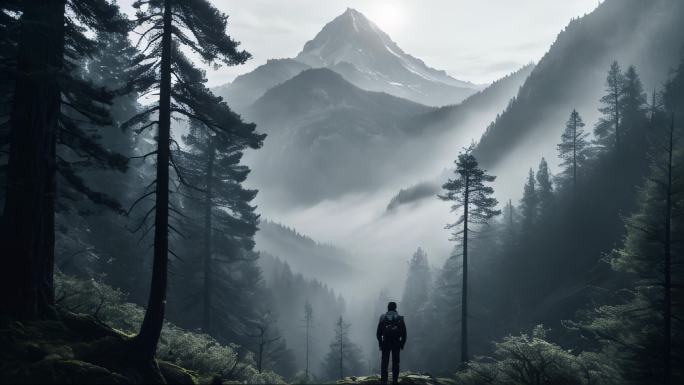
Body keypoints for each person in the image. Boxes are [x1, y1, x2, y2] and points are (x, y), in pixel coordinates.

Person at [376, 301, 407, 385]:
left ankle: (384, 382)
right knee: (396, 363)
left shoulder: (383, 317)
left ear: (388, 308)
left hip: (385, 343)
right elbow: (404, 333)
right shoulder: (400, 318)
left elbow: (378, 333)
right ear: (395, 308)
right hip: (396, 343)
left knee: (384, 363)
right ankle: (395, 381)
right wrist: (401, 344)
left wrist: (380, 343)